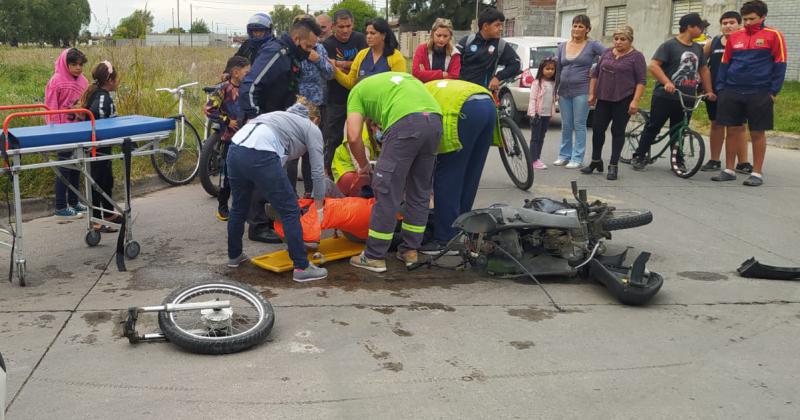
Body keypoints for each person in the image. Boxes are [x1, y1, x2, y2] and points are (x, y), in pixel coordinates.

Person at [345, 72, 442, 272]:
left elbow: (353, 137)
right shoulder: (397, 80)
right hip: (434, 121)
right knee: (419, 191)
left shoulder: (357, 92)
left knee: (387, 191)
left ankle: (373, 256)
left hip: (405, 123)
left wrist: (364, 166)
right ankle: (410, 250)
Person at [238, 15, 322, 243]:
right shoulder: (276, 54)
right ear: (296, 38)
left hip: (275, 121)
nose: (310, 51)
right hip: (261, 122)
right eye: (308, 46)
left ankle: (271, 218)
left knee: (273, 172)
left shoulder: (292, 56)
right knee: (261, 173)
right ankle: (257, 226)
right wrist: (255, 120)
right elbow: (250, 85)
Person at [226, 98, 328, 283]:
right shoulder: (310, 127)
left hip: (234, 149)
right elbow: (318, 171)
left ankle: (234, 256)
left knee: (239, 207)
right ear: (315, 119)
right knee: (290, 210)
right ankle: (302, 267)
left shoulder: (275, 116)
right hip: (260, 153)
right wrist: (319, 207)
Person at [712, 0, 786, 187]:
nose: (747, 23)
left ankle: (756, 173)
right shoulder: (735, 37)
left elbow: (780, 63)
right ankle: (729, 170)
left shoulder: (774, 35)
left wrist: (773, 91)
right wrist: (721, 88)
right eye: (745, 19)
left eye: (752, 19)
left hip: (759, 91)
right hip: (732, 90)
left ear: (763, 17)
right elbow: (725, 63)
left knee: (757, 132)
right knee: (733, 130)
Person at [421, 79, 497, 255]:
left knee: (447, 173)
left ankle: (445, 239)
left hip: (463, 109)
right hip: (487, 103)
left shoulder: (404, 104)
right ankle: (462, 229)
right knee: (471, 171)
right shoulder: (422, 88)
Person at [632, 13, 716, 171]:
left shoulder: (698, 48)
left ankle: (677, 159)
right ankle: (640, 155)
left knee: (679, 130)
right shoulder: (669, 46)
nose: (702, 31)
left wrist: (709, 91)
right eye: (700, 28)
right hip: (665, 96)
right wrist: (667, 82)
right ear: (690, 27)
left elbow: (704, 70)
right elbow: (653, 66)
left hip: (687, 97)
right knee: (654, 126)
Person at [582, 26, 646, 181]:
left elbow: (641, 81)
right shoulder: (607, 53)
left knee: (617, 132)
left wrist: (635, 101)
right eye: (616, 39)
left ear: (630, 40)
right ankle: (596, 161)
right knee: (597, 129)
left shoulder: (636, 57)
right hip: (603, 97)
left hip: (623, 99)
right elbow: (595, 74)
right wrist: (592, 94)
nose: (618, 42)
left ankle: (613, 165)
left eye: (623, 39)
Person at [287, 14, 335, 197]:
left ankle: (310, 193)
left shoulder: (319, 49)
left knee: (312, 150)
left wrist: (318, 59)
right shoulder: (291, 50)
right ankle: (290, 194)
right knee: (293, 151)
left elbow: (330, 73)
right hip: (296, 106)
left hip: (318, 105)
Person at [553, 14, 605, 169]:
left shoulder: (592, 45)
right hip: (564, 91)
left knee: (579, 124)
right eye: (575, 25)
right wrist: (555, 89)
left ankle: (577, 157)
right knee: (566, 124)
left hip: (582, 89)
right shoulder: (562, 46)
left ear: (587, 29)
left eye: (581, 26)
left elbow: (609, 55)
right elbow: (558, 70)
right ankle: (564, 155)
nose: (577, 29)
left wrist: (596, 69)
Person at [701, 11, 750, 174]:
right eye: (724, 23)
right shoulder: (713, 42)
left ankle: (743, 163)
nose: (728, 26)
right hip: (715, 91)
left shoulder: (746, 41)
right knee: (716, 125)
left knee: (739, 127)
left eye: (731, 22)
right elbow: (700, 63)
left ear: (739, 24)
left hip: (738, 91)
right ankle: (714, 160)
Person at [205, 56, 251, 221]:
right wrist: (227, 121)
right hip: (229, 139)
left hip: (248, 138)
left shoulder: (249, 88)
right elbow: (209, 109)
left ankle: (246, 208)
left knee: (246, 175)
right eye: (247, 71)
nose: (249, 74)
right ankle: (222, 207)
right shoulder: (224, 89)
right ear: (236, 73)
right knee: (228, 176)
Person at [45, 48, 89, 219]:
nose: (78, 68)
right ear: (66, 64)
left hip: (78, 127)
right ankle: (60, 206)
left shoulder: (84, 82)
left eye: (80, 65)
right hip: (62, 129)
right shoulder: (56, 81)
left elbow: (84, 104)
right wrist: (54, 129)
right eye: (74, 64)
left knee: (77, 166)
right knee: (64, 167)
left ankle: (74, 201)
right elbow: (51, 106)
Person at [323, 9, 367, 175]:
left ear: (353, 24)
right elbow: (327, 69)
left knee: (359, 136)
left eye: (348, 26)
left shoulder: (360, 39)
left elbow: (363, 65)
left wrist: (341, 64)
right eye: (341, 26)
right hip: (336, 98)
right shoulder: (327, 45)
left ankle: (360, 172)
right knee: (334, 138)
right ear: (334, 26)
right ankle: (329, 173)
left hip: (359, 96)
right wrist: (351, 64)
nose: (345, 30)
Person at [80, 61, 120, 231]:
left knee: (106, 179)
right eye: (116, 79)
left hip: (100, 145)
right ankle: (97, 219)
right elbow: (100, 118)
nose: (118, 82)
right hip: (98, 146)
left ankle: (108, 213)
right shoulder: (102, 97)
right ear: (110, 80)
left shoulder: (97, 93)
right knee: (98, 181)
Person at [456, 7, 521, 91]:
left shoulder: (501, 45)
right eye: (497, 25)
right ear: (485, 26)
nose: (501, 29)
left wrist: (498, 77)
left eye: (501, 25)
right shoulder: (467, 41)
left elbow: (516, 64)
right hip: (461, 92)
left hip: (483, 95)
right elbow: (452, 63)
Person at [332, 17, 406, 90]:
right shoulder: (361, 55)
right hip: (363, 101)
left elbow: (399, 86)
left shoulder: (395, 56)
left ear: (383, 35)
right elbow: (351, 83)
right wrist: (335, 71)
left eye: (372, 33)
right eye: (367, 33)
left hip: (385, 101)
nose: (368, 36)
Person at [527, 57, 558, 171]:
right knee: (535, 138)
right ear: (541, 69)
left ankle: (537, 158)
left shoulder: (553, 83)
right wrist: (533, 113)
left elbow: (553, 98)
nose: (550, 71)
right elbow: (533, 99)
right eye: (547, 68)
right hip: (537, 115)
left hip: (546, 115)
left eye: (552, 69)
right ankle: (532, 159)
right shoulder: (537, 83)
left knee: (541, 137)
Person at [412, 18, 461, 82]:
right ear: (432, 34)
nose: (441, 39)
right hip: (424, 89)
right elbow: (416, 73)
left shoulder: (454, 54)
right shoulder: (422, 49)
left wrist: (426, 74)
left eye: (445, 36)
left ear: (450, 37)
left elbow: (454, 77)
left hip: (445, 90)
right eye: (438, 35)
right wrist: (442, 74)